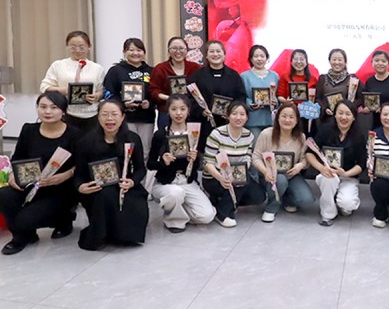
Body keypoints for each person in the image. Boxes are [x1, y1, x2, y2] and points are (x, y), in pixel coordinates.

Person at [0, 92, 80, 255]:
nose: (47, 111)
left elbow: (82, 165)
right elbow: (18, 157)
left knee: (25, 219)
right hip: (31, 184)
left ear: (63, 111)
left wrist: (65, 175)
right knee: (4, 194)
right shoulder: (29, 130)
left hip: (61, 189)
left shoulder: (75, 134)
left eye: (54, 107)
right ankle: (23, 236)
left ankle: (64, 220)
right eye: (43, 107)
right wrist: (13, 175)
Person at [74, 99, 149, 251]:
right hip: (98, 190)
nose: (109, 119)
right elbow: (78, 174)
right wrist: (81, 187)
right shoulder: (85, 142)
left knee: (137, 210)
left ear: (122, 117)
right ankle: (102, 234)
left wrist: (132, 182)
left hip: (125, 187)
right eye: (105, 114)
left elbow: (141, 169)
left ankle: (121, 233)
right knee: (106, 195)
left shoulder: (132, 139)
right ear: (98, 117)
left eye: (114, 114)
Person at [147, 95, 215, 233]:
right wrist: (163, 162)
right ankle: (174, 221)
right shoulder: (161, 135)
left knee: (206, 216)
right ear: (168, 111)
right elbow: (150, 164)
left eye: (182, 109)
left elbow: (198, 165)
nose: (178, 113)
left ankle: (179, 208)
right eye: (174, 109)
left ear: (188, 111)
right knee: (175, 193)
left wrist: (194, 159)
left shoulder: (194, 133)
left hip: (187, 181)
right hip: (166, 183)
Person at [202, 102, 265, 228]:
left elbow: (247, 157)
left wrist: (241, 170)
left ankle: (224, 202)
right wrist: (221, 178)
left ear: (247, 117)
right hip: (214, 177)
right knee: (240, 183)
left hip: (237, 174)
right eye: (234, 114)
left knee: (259, 197)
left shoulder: (249, 135)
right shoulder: (217, 134)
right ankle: (222, 214)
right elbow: (207, 162)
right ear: (227, 116)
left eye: (242, 114)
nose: (238, 117)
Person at [103, 38, 155, 190]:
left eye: (139, 50)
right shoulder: (116, 71)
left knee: (144, 152)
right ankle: (122, 184)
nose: (135, 53)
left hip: (146, 119)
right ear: (124, 52)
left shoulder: (151, 71)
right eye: (131, 50)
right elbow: (108, 93)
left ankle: (141, 187)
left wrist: (149, 103)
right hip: (124, 119)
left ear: (144, 52)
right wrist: (122, 104)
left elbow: (156, 93)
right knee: (125, 151)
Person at [306, 100, 366, 226]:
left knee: (347, 204)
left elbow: (362, 164)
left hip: (348, 176)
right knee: (328, 179)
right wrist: (321, 168)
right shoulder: (325, 130)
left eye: (348, 114)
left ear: (354, 117)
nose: (343, 117)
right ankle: (328, 214)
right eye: (340, 113)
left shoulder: (358, 136)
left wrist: (346, 173)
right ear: (335, 115)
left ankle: (342, 204)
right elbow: (309, 153)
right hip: (328, 174)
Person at [252, 102, 315, 222]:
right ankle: (271, 207)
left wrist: (300, 165)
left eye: (291, 117)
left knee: (307, 200)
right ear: (277, 117)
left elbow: (305, 159)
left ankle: (285, 198)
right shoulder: (266, 134)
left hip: (291, 175)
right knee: (280, 180)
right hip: (269, 176)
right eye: (284, 116)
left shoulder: (301, 137)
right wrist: (265, 171)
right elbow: (255, 157)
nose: (287, 120)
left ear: (296, 120)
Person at [40, 31, 105, 133]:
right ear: (67, 46)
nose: (77, 50)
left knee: (90, 141)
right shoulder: (58, 65)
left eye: (82, 47)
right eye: (73, 47)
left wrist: (96, 96)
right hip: (65, 113)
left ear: (89, 47)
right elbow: (44, 87)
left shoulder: (97, 68)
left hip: (91, 115)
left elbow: (101, 90)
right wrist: (65, 90)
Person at [188, 40, 246, 153]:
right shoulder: (197, 75)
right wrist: (201, 111)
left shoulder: (234, 75)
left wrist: (232, 112)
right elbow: (189, 98)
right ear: (206, 55)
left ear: (224, 54)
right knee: (206, 155)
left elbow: (241, 97)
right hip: (204, 124)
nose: (215, 54)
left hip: (228, 124)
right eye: (212, 51)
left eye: (218, 51)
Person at [149, 36, 201, 130]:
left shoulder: (195, 68)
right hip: (166, 111)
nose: (178, 51)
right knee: (166, 136)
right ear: (168, 51)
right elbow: (153, 91)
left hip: (191, 111)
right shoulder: (160, 68)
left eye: (181, 48)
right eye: (174, 48)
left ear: (186, 50)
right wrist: (170, 98)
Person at [316, 49, 364, 126]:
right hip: (326, 120)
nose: (337, 62)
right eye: (334, 59)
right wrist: (324, 109)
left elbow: (361, 98)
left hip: (346, 121)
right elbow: (317, 98)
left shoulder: (353, 79)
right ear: (329, 61)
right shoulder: (323, 78)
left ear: (345, 62)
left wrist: (349, 107)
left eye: (340, 59)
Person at [240, 45, 279, 139]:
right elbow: (241, 96)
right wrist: (250, 104)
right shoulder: (244, 76)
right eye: (256, 56)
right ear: (251, 59)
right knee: (256, 145)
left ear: (267, 58)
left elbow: (278, 95)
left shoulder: (274, 76)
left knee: (270, 146)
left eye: (262, 56)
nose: (259, 59)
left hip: (270, 119)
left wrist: (275, 101)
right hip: (253, 120)